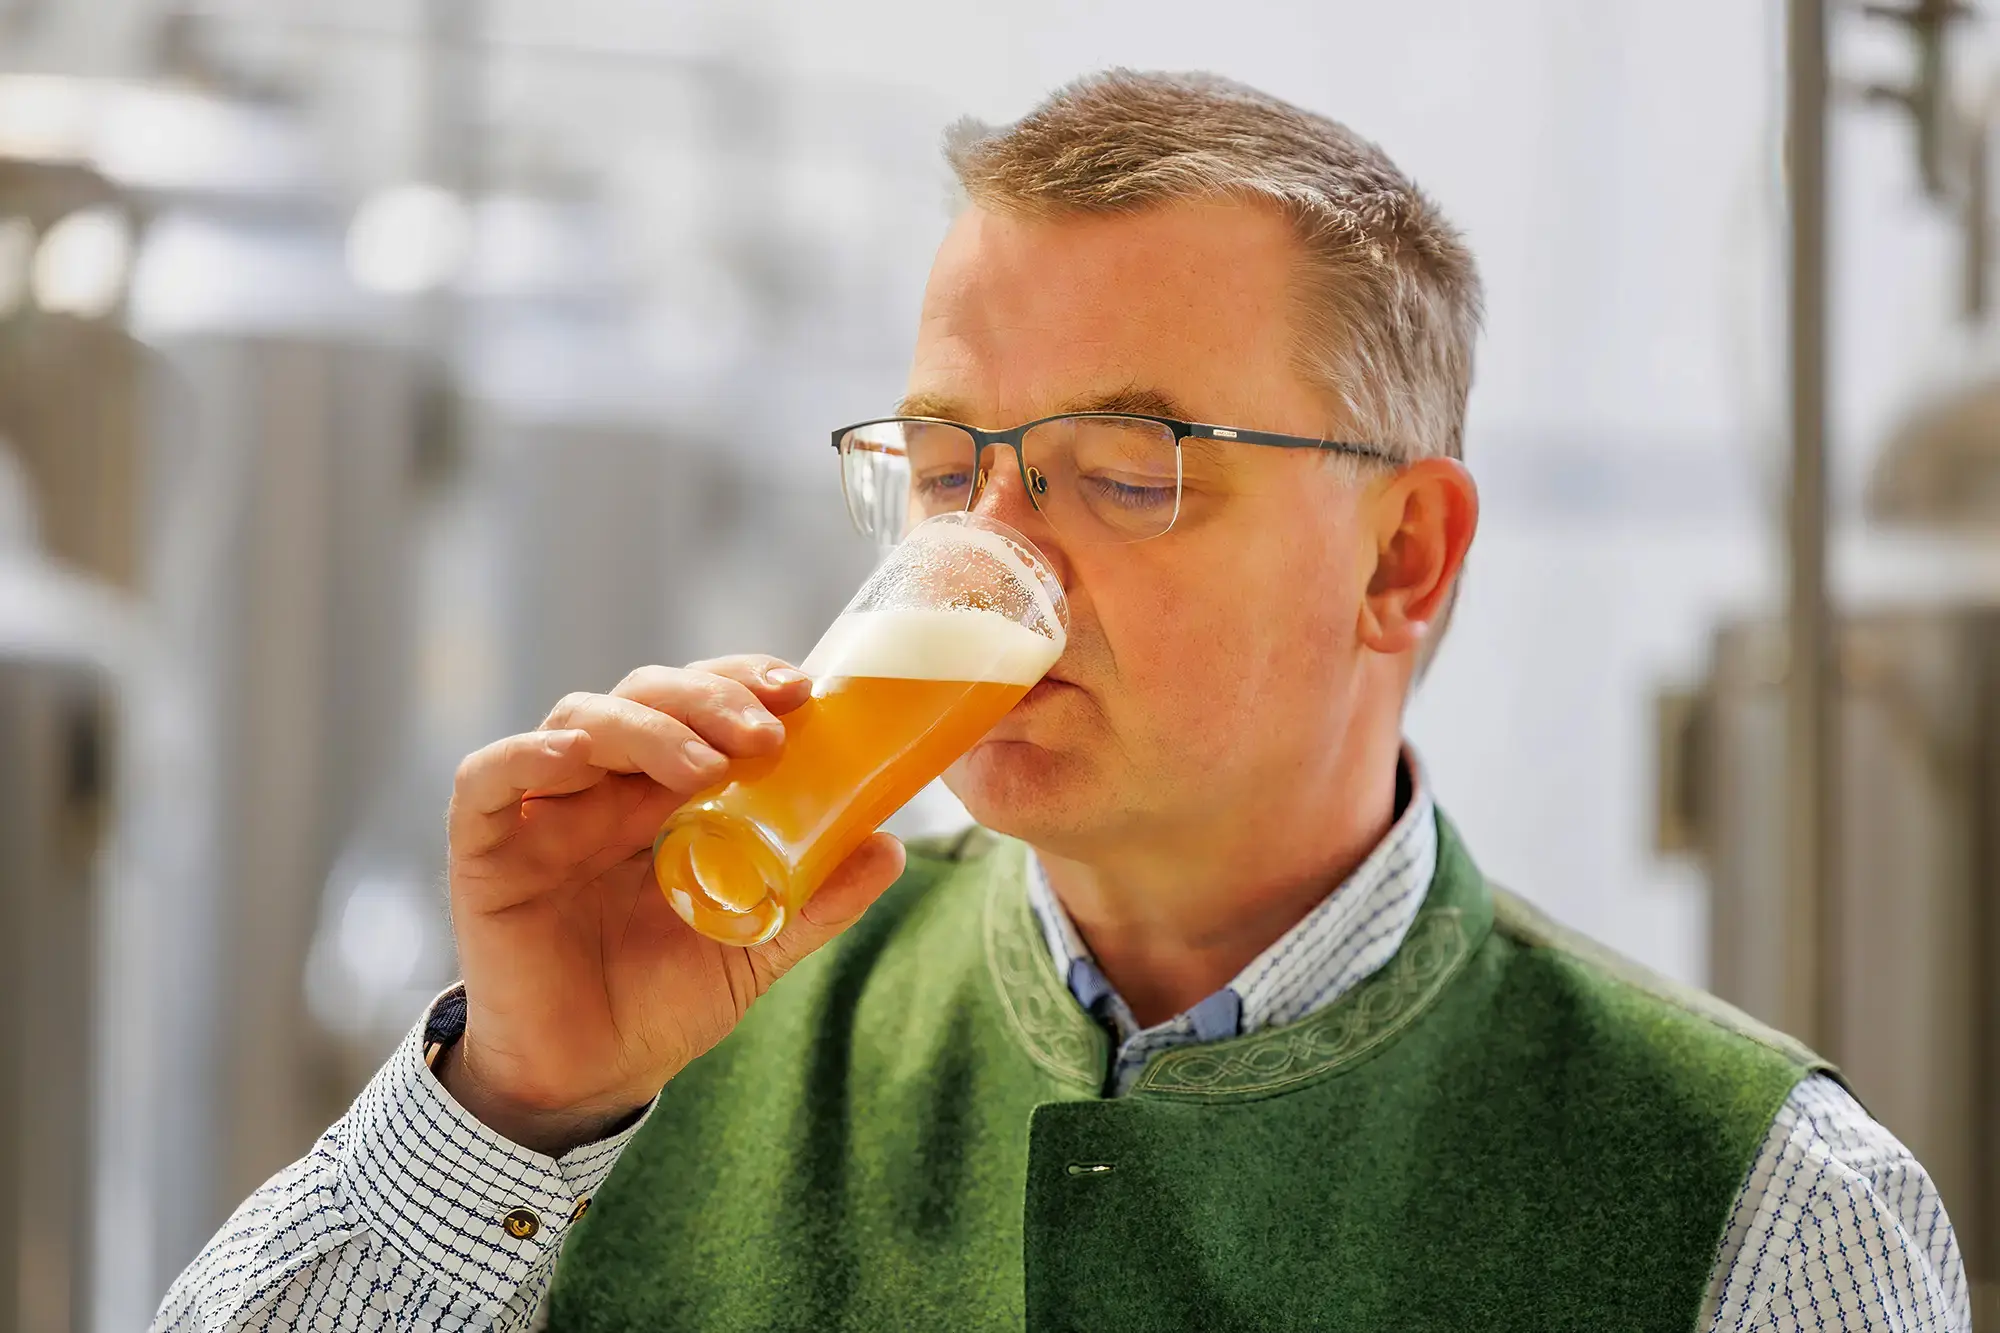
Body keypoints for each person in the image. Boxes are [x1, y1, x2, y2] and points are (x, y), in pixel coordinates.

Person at [155, 71, 1969, 1332]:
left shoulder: (1762, 1204)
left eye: (1125, 466)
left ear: (1403, 558)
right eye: (950, 470)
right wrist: (509, 1106)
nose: (991, 559)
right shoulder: (651, 1049)